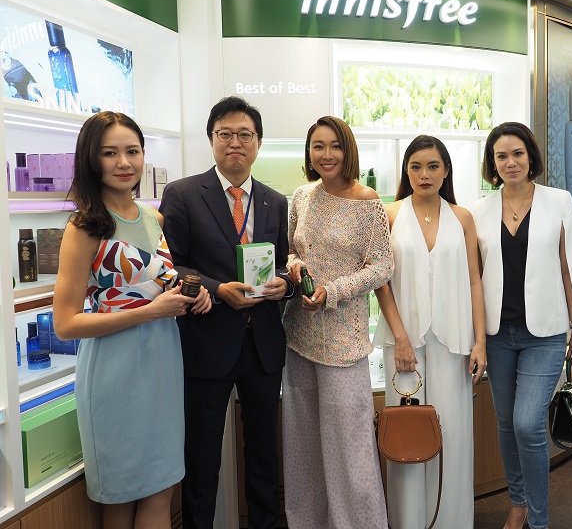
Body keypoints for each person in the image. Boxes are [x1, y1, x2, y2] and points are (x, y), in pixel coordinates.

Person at [53, 111, 212, 529]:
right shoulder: (84, 227)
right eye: (110, 153)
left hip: (163, 362)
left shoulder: (153, 217)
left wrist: (192, 293)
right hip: (115, 370)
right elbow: (65, 324)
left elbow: (159, 281)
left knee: (162, 488)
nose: (124, 162)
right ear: (92, 159)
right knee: (120, 496)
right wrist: (151, 311)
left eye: (133, 151)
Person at [158, 96, 295, 529]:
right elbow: (171, 265)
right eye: (226, 134)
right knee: (202, 458)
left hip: (262, 344)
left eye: (245, 135)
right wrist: (218, 290)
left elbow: (282, 262)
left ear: (258, 143)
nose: (235, 142)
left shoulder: (274, 201)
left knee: (264, 456)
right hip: (207, 341)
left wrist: (284, 284)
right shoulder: (183, 194)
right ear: (212, 140)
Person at [470, 122, 572, 529]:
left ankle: (539, 520)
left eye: (517, 154)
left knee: (528, 423)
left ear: (531, 157)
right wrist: (475, 337)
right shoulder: (478, 210)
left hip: (545, 333)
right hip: (497, 334)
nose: (510, 162)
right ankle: (518, 503)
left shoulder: (558, 201)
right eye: (501, 156)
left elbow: (570, 267)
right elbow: (474, 277)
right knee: (506, 424)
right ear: (492, 163)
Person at [282, 115, 394, 528]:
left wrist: (333, 291)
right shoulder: (301, 196)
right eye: (318, 146)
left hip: (345, 344)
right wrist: (295, 266)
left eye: (335, 146)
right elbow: (292, 249)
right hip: (299, 337)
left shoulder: (368, 202)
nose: (326, 154)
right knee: (303, 449)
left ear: (348, 150)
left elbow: (382, 267)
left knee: (351, 451)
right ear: (309, 152)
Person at [373, 135, 487, 529]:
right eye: (416, 166)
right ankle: (408, 522)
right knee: (406, 434)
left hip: (454, 343)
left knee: (452, 434)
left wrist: (480, 342)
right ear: (406, 171)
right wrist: (400, 337)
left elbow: (475, 281)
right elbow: (380, 282)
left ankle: (452, 521)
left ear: (446, 170)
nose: (425, 174)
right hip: (404, 344)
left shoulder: (462, 217)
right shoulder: (388, 214)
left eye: (433, 166)